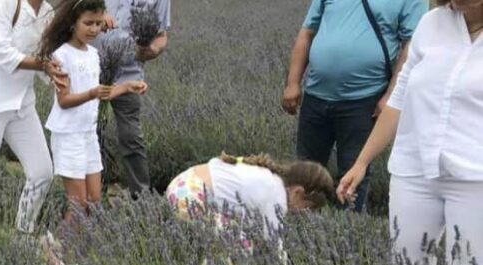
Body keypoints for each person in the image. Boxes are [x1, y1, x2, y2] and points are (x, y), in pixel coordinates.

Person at [338, 0, 483, 265]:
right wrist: (362, 161)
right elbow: (399, 98)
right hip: (414, 169)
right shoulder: (432, 24)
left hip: (476, 177)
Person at [282, 0, 427, 212]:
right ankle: (299, 230)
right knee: (303, 175)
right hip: (315, 96)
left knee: (352, 176)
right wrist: (293, 83)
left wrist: (390, 95)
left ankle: (347, 226)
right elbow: (307, 33)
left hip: (363, 100)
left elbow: (411, 46)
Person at [38, 0, 147, 265]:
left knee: (95, 203)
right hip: (68, 135)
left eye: (99, 24)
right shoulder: (61, 56)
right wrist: (90, 94)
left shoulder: (92, 55)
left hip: (87, 135)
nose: (94, 29)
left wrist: (128, 87)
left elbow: (103, 92)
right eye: (88, 23)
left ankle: (73, 252)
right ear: (73, 22)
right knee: (79, 205)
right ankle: (53, 254)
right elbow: (64, 101)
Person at [0, 0, 66, 236]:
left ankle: (23, 235)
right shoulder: (7, 4)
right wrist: (44, 65)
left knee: (42, 172)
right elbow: (1, 53)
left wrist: (57, 75)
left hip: (21, 106)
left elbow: (46, 55)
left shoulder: (47, 12)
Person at [97, 0, 171, 198]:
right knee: (90, 132)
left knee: (131, 137)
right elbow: (77, 9)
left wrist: (153, 49)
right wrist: (98, 14)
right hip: (90, 65)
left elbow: (161, 36)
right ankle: (93, 195)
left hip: (129, 73)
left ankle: (142, 200)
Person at [166, 154, 335, 240]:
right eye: (306, 208)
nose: (302, 214)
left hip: (182, 184)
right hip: (189, 197)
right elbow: (273, 242)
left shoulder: (268, 176)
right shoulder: (276, 195)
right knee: (239, 244)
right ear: (298, 192)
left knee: (235, 232)